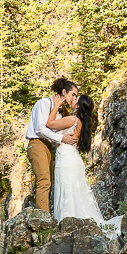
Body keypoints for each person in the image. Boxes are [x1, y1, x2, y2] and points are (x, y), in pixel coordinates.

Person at [46, 94, 122, 235]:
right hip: (72, 158)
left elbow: (49, 124)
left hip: (66, 159)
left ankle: (68, 227)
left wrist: (56, 104)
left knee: (67, 191)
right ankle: (75, 226)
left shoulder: (73, 119)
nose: (72, 100)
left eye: (75, 99)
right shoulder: (81, 122)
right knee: (75, 192)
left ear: (78, 106)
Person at [24, 78, 79, 213]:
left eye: (76, 96)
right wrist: (62, 139)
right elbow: (40, 129)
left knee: (49, 182)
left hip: (48, 146)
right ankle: (42, 219)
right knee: (44, 181)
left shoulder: (60, 111)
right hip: (37, 144)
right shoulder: (44, 103)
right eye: (73, 94)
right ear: (64, 92)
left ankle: (45, 215)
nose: (74, 98)